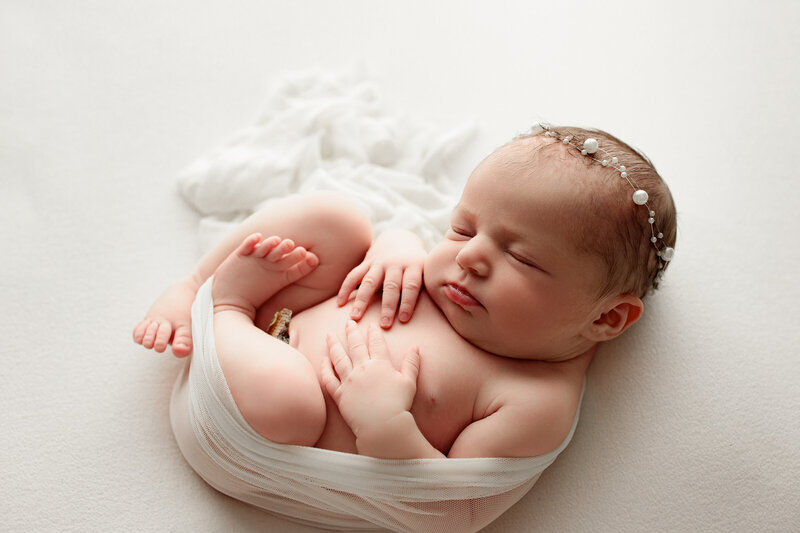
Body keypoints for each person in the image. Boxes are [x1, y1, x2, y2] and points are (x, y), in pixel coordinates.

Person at [133, 124, 677, 460]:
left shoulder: (535, 401)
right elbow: (405, 238)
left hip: (255, 426)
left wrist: (386, 425)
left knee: (289, 405)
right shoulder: (453, 276)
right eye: (462, 228)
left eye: (522, 257)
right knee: (338, 217)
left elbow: (443, 508)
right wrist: (393, 247)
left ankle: (225, 306)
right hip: (280, 326)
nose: (467, 257)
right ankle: (192, 287)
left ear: (606, 319)